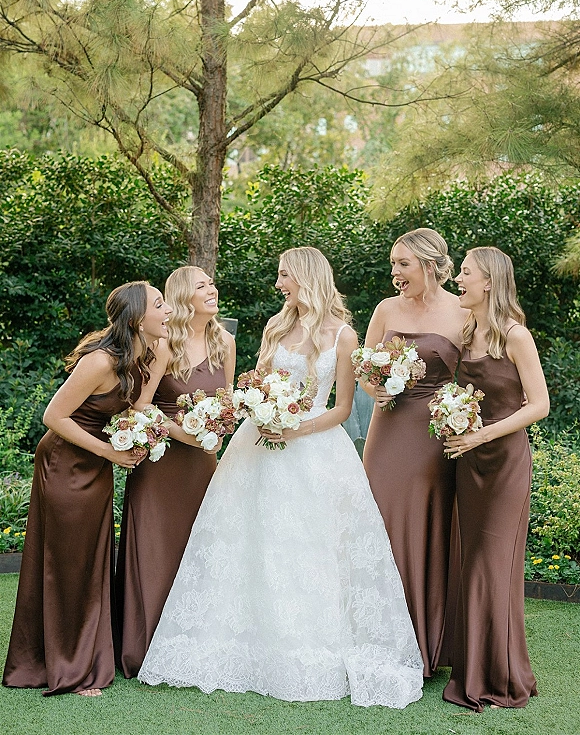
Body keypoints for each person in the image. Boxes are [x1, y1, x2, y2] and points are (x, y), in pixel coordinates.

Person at [138, 247, 423, 708]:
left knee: (312, 545)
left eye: (284, 276)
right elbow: (257, 384)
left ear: (306, 277)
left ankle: (309, 646)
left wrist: (297, 429)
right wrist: (261, 410)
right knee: (254, 541)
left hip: (317, 451)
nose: (278, 285)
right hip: (260, 443)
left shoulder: (344, 335)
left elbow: (342, 409)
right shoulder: (275, 326)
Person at [2, 281, 172, 697]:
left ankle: (81, 655)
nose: (168, 309)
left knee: (90, 562)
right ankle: (68, 669)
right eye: (160, 304)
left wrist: (143, 436)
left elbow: (135, 409)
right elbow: (53, 416)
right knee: (68, 564)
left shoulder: (144, 354)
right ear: (137, 319)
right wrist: (109, 451)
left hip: (96, 466)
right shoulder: (99, 361)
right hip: (65, 464)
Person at [442, 247, 549, 712]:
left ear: (489, 282)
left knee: (492, 563)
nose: (458, 279)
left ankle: (501, 677)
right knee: (472, 562)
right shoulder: (467, 333)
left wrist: (482, 433)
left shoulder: (515, 335)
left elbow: (539, 405)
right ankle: (473, 669)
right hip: (468, 463)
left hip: (504, 462)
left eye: (465, 272)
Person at [115, 266, 236, 678]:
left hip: (203, 464)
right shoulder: (164, 345)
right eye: (202, 286)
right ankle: (145, 647)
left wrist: (218, 432)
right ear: (184, 296)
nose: (212, 289)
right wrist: (187, 434)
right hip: (163, 462)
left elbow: (227, 401)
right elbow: (140, 405)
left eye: (212, 283)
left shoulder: (225, 342)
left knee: (197, 550)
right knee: (157, 549)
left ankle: (191, 645)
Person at [362, 227, 467, 677]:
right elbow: (364, 370)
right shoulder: (386, 309)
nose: (395, 273)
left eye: (403, 264)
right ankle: (374, 639)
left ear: (429, 265)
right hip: (386, 431)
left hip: (432, 434)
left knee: (424, 525)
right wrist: (376, 389)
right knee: (377, 520)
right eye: (393, 264)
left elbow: (478, 374)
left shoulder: (463, 312)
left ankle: (423, 642)